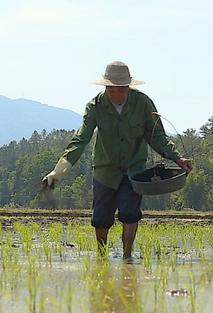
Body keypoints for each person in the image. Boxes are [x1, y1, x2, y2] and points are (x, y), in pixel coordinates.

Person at [43, 61, 192, 262]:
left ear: (128, 87)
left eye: (121, 89)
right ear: (106, 87)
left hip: (134, 170)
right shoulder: (95, 106)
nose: (117, 94)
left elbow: (157, 136)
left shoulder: (143, 104)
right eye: (112, 90)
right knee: (101, 218)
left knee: (130, 214)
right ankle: (102, 257)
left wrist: (177, 157)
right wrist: (57, 172)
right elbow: (81, 139)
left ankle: (127, 257)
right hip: (106, 170)